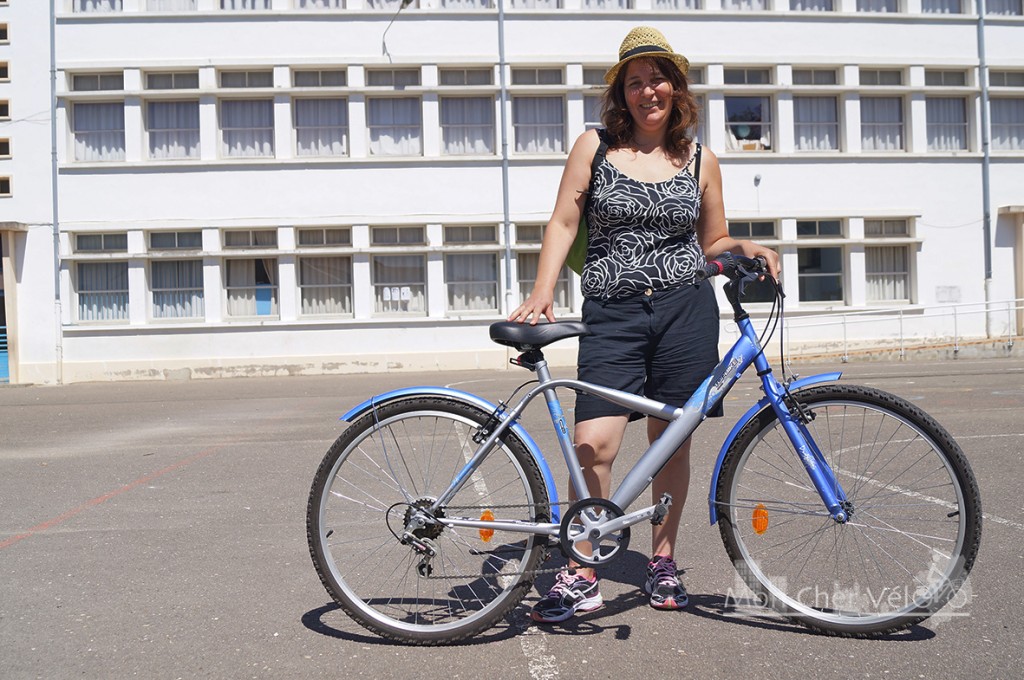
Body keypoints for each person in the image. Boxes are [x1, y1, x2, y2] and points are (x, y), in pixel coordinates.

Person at [508, 26, 781, 623]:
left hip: (686, 310)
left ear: (675, 87)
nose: (646, 90)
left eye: (656, 78)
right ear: (621, 94)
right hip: (614, 311)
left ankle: (661, 560)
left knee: (668, 444)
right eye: (634, 81)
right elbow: (561, 222)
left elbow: (712, 239)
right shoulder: (595, 148)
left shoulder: (699, 158)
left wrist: (747, 246)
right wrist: (542, 292)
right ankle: (583, 568)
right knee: (595, 443)